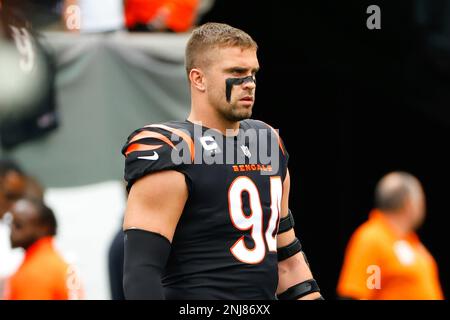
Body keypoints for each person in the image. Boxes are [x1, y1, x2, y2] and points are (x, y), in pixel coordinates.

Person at [121, 22, 322, 300]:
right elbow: (141, 274)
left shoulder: (266, 141)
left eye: (253, 73)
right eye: (237, 73)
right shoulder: (173, 148)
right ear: (198, 78)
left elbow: (288, 262)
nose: (249, 83)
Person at [337, 172, 444, 300]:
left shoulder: (410, 242)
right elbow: (355, 294)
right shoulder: (372, 239)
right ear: (409, 203)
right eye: (421, 200)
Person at [3, 198, 82, 299]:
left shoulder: (33, 273)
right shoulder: (62, 264)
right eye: (10, 224)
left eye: (18, 225)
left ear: (43, 228)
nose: (11, 230)